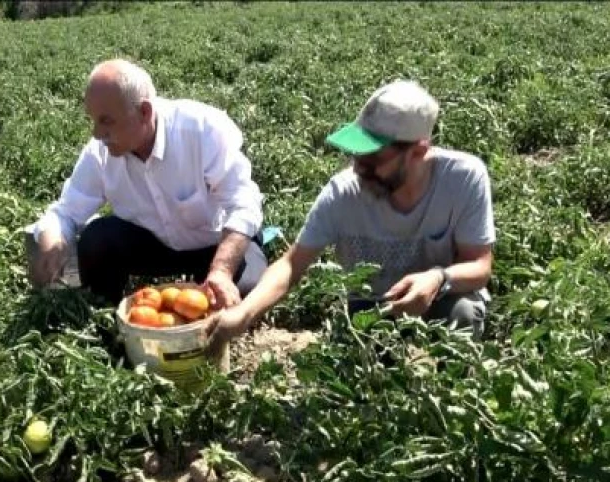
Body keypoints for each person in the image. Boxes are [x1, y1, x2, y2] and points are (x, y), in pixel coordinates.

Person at [207, 80, 496, 350]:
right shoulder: (344, 192)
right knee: (362, 375)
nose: (359, 167)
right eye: (357, 155)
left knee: (463, 312)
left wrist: (437, 278)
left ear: (418, 151)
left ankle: (446, 393)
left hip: (440, 297)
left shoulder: (462, 178)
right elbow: (291, 265)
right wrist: (243, 315)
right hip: (372, 306)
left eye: (373, 158)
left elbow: (479, 265)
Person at [26, 58, 267, 309]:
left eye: (106, 121)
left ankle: (209, 289)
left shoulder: (201, 130)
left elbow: (243, 204)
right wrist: (53, 240)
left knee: (246, 291)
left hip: (214, 244)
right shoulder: (100, 152)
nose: (97, 134)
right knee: (97, 239)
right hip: (156, 245)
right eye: (93, 120)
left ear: (144, 112)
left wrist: (221, 270)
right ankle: (108, 319)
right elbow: (65, 211)